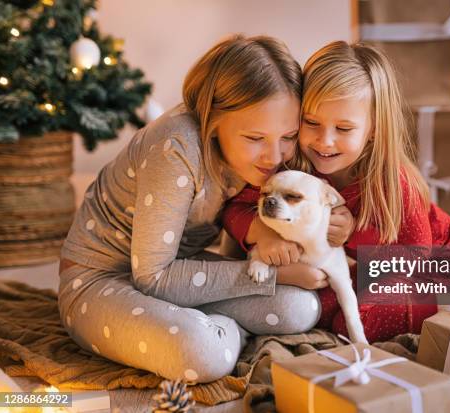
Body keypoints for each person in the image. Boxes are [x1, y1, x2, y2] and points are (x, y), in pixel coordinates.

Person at [57, 35, 333, 383]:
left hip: (176, 275)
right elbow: (153, 278)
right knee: (200, 353)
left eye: (288, 137)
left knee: (301, 309)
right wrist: (275, 274)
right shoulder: (175, 148)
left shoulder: (259, 159)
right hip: (100, 281)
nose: (274, 156)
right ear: (212, 120)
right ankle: (214, 336)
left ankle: (213, 330)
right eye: (254, 138)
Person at [223, 41, 450, 343]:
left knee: (348, 319)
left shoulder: (393, 183)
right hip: (354, 272)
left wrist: (352, 234)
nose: (324, 141)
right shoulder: (292, 172)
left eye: (343, 129)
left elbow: (414, 256)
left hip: (429, 263)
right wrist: (265, 234)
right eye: (311, 122)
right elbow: (235, 208)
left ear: (374, 129)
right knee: (318, 301)